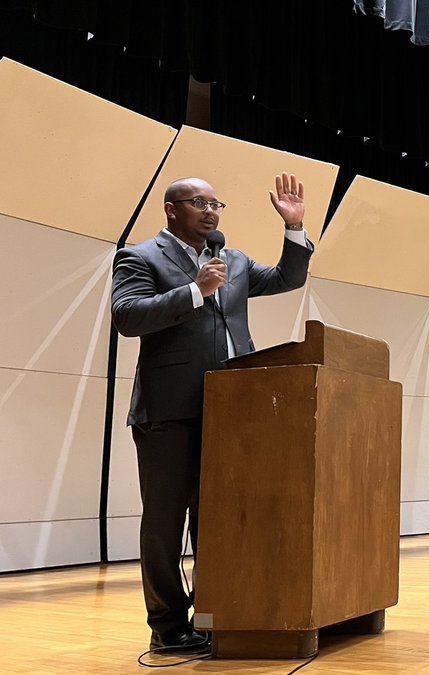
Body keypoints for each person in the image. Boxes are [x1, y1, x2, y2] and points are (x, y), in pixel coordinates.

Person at [111, 173, 314, 651]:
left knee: (219, 518)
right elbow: (127, 316)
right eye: (198, 202)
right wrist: (193, 292)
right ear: (171, 209)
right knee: (164, 523)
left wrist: (294, 228)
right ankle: (166, 627)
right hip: (169, 410)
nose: (210, 211)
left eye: (215, 203)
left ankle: (213, 612)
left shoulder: (235, 261)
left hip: (234, 411)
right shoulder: (140, 258)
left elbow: (289, 277)